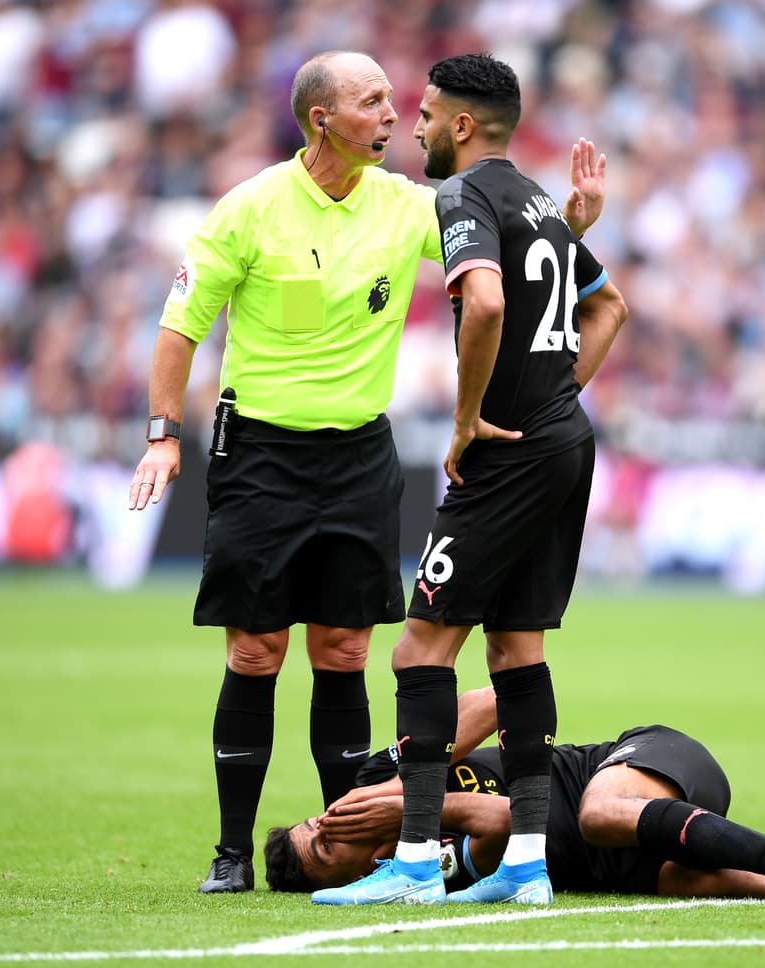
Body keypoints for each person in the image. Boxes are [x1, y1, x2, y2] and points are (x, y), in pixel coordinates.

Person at [126, 50, 607, 895]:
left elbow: (502, 255)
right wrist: (165, 435)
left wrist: (572, 226)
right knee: (256, 651)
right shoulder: (251, 209)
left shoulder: (409, 203)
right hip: (262, 453)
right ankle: (233, 850)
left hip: (359, 454)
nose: (393, 114)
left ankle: (357, 835)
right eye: (373, 101)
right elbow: (179, 327)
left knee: (346, 648)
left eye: (397, 101)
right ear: (322, 119)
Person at [314, 53, 629, 907]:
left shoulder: (464, 197)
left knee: (420, 647)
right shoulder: (536, 200)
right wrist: (555, 397)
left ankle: (415, 862)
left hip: (509, 452)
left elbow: (484, 304)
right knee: (516, 645)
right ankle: (526, 863)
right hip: (565, 443)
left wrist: (469, 417)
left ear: (461, 125)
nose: (410, 127)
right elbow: (609, 307)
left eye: (422, 112)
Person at [262, 688, 765, 905]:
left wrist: (404, 780)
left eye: (315, 821)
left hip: (635, 766)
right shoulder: (420, 876)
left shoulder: (378, 781)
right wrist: (409, 816)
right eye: (324, 846)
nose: (332, 823)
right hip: (618, 867)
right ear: (344, 875)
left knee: (598, 811)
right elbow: (497, 821)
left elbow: (494, 705)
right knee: (744, 891)